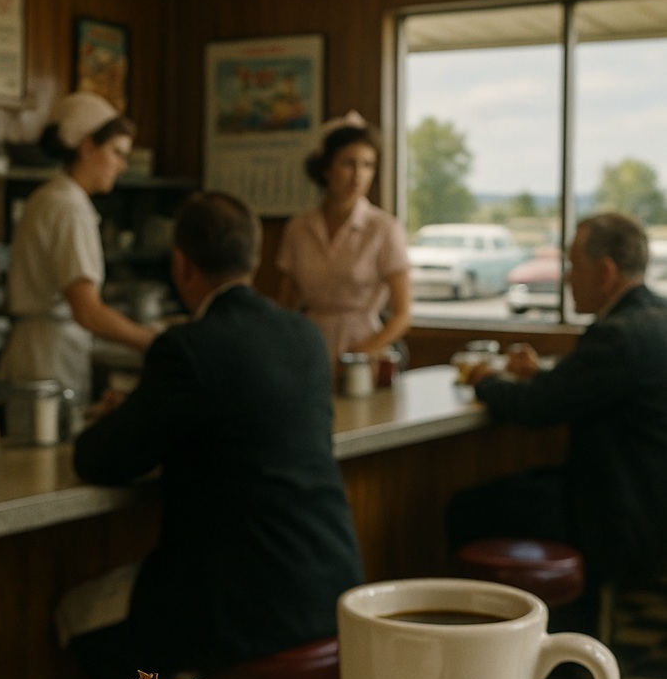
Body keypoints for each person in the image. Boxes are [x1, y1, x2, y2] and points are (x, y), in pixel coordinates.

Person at [70, 190, 364, 679]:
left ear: (181, 264)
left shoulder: (186, 347)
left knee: (78, 612)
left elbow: (99, 460)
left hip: (238, 610)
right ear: (251, 258)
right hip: (328, 588)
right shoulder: (305, 336)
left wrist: (136, 411)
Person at [447, 212, 667, 615]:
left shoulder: (617, 336)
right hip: (651, 503)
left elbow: (533, 408)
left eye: (572, 265)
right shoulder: (654, 319)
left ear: (605, 271)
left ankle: (518, 649)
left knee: (466, 509)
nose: (567, 277)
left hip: (616, 516)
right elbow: (590, 383)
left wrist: (483, 380)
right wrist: (542, 373)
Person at [0, 92, 155, 405]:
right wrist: (153, 342)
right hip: (49, 359)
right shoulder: (69, 207)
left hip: (39, 350)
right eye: (116, 153)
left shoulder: (49, 195)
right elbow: (88, 311)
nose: (122, 166)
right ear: (87, 147)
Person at [275, 110, 411, 368]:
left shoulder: (383, 228)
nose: (358, 175)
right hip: (310, 346)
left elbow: (402, 314)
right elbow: (286, 305)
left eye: (368, 165)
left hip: (366, 349)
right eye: (348, 163)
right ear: (327, 168)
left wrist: (359, 353)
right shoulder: (298, 228)